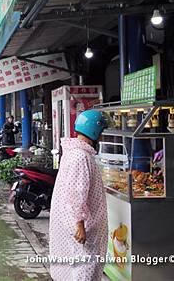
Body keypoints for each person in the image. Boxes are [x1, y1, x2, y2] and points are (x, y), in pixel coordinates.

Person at [49, 110, 108, 281]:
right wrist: (80, 225)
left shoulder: (74, 152)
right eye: (101, 132)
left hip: (76, 223)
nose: (102, 136)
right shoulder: (81, 157)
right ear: (94, 131)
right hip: (83, 227)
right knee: (84, 270)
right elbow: (77, 193)